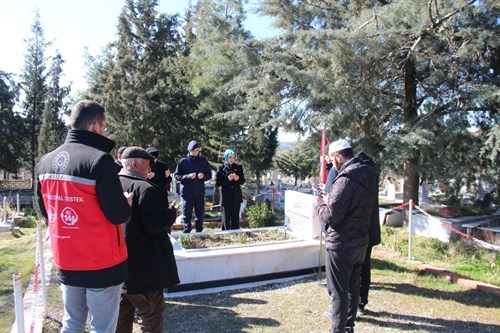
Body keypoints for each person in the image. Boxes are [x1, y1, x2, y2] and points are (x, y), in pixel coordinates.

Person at [37, 99, 132, 333]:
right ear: (95, 127)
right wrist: (125, 201)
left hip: (67, 258)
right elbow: (118, 214)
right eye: (105, 126)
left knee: (72, 323)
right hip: (101, 261)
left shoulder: (45, 162)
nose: (105, 131)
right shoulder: (100, 160)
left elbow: (45, 211)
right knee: (102, 327)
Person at [316, 139, 378, 333]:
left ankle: (338, 329)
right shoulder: (368, 173)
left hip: (342, 244)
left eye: (333, 159)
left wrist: (319, 205)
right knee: (352, 289)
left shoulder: (346, 178)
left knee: (339, 293)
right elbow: (354, 204)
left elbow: (332, 216)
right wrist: (331, 200)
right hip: (360, 242)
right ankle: (348, 327)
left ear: (338, 156)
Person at [116, 147, 180, 333]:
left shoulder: (113, 185)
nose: (149, 170)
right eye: (146, 165)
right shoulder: (145, 189)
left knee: (122, 313)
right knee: (150, 313)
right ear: (135, 164)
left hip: (119, 264)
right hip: (145, 267)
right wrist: (172, 213)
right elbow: (154, 225)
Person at [175, 140, 212, 233]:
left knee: (200, 213)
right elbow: (177, 176)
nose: (195, 152)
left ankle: (199, 230)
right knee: (186, 213)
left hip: (199, 191)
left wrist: (203, 176)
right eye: (193, 150)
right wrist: (188, 176)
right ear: (189, 150)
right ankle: (186, 231)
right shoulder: (183, 161)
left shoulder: (203, 161)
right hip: (186, 192)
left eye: (197, 150)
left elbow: (209, 175)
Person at [216, 149, 246, 230]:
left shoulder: (238, 167)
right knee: (226, 217)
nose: (232, 159)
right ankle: (226, 233)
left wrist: (237, 178)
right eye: (230, 157)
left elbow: (242, 181)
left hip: (236, 196)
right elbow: (218, 182)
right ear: (226, 157)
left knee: (235, 217)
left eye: (233, 157)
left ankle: (235, 233)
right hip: (226, 197)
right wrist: (227, 179)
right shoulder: (221, 168)